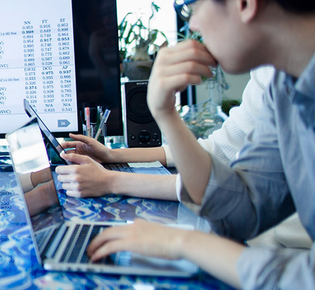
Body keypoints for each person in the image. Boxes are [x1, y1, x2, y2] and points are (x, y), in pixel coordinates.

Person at [85, 0, 315, 290]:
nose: (193, 24)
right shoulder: (284, 87)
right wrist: (165, 113)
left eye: (192, 3)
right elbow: (242, 211)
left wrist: (183, 242)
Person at [54, 66, 272, 200]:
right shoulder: (267, 73)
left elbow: (224, 189)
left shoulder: (276, 77)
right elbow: (219, 151)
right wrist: (112, 155)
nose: (193, 25)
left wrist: (110, 181)